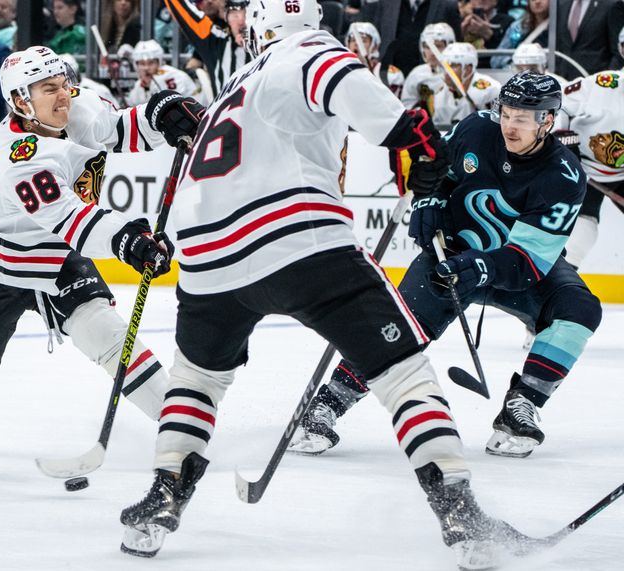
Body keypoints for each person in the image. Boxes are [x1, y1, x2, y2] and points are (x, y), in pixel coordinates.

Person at [118, 2, 532, 568]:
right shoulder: (309, 48)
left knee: (196, 379)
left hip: (207, 258)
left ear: (260, 27)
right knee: (402, 370)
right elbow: (360, 97)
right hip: (298, 237)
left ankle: (161, 498)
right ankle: (461, 515)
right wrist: (419, 141)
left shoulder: (235, 82)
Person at [0, 46, 205, 451]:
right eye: (48, 88)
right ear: (20, 100)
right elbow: (71, 219)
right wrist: (127, 241)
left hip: (57, 260)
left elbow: (119, 130)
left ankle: (181, 425)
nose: (64, 94)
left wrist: (161, 115)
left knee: (106, 334)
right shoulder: (19, 158)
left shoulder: (77, 108)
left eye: (64, 83)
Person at [291, 71, 602, 461]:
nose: (510, 125)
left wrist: (484, 266)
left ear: (548, 121)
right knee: (398, 327)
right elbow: (437, 171)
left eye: (523, 118)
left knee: (579, 310)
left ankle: (522, 405)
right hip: (449, 253)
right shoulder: (476, 129)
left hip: (513, 266)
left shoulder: (565, 176)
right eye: (506, 113)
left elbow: (528, 261)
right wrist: (428, 199)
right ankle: (326, 406)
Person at [561, 29, 624, 269]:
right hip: (585, 166)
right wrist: (565, 143)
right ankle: (563, 279)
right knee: (582, 224)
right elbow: (559, 106)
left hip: (621, 174)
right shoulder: (600, 85)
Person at [162, 0, 250, 97]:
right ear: (226, 17)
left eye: (247, 13)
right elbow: (179, 7)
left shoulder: (268, 47)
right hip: (227, 110)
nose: (241, 21)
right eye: (234, 14)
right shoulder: (216, 41)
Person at [367, 0, 462, 76]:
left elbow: (456, 47)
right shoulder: (387, 2)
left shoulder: (447, 5)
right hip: (389, 79)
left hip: (429, 82)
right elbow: (376, 39)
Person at [430, 42, 501, 128]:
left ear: (468, 68)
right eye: (445, 66)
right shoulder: (439, 92)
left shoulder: (491, 89)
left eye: (453, 66)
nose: (447, 72)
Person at [126, 39, 206, 106]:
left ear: (159, 62)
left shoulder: (171, 75)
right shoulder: (139, 84)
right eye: (142, 64)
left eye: (151, 63)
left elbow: (173, 105)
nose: (146, 68)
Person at [401, 21, 455, 110]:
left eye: (438, 46)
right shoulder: (416, 75)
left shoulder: (459, 73)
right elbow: (407, 106)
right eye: (427, 47)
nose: (432, 52)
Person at [344, 22, 405, 98]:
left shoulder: (389, 75)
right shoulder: (340, 70)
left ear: (374, 46)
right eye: (353, 40)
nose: (356, 43)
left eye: (363, 40)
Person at [490, 0, 549, 69]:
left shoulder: (560, 28)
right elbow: (496, 60)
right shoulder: (518, 27)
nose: (537, 1)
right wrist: (515, 64)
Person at [460, 0, 514, 68]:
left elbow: (505, 54)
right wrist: (460, 31)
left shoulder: (508, 22)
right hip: (463, 66)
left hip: (493, 70)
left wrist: (489, 35)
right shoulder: (459, 19)